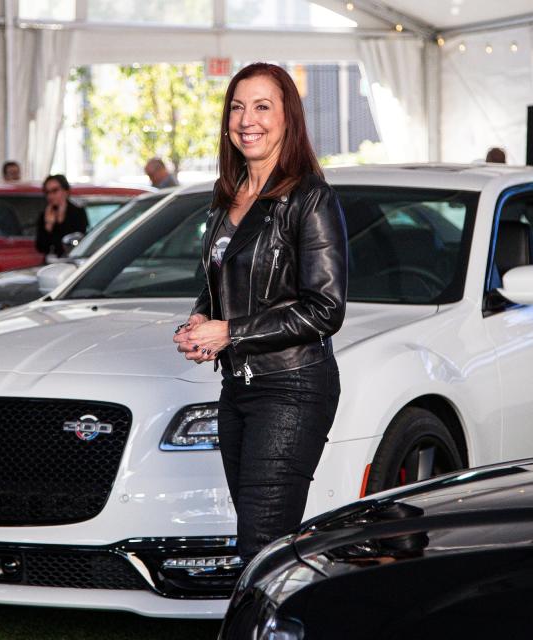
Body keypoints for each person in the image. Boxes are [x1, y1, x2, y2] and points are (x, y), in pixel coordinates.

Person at [172, 63, 348, 563]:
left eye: (263, 106)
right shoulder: (226, 197)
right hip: (239, 387)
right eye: (237, 107)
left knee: (262, 544)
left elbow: (325, 309)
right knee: (260, 540)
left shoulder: (310, 197)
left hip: (293, 387)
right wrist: (199, 323)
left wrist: (229, 332)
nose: (248, 119)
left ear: (287, 118)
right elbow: (224, 285)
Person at [34, 174, 87, 258]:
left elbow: (78, 240)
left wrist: (61, 220)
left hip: (71, 260)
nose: (50, 196)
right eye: (47, 192)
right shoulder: (45, 214)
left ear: (65, 191)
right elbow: (41, 247)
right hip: (51, 261)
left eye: (55, 191)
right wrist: (48, 226)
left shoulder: (77, 212)